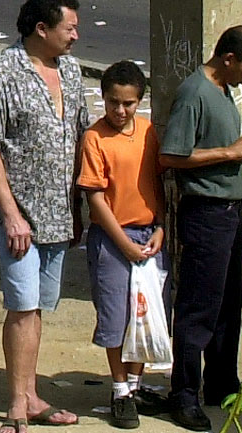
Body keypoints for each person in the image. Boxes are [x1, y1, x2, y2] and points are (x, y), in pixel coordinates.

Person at [0, 0, 88, 433]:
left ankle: (30, 393)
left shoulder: (73, 72)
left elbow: (79, 137)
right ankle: (17, 405)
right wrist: (11, 214)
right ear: (42, 29)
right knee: (22, 305)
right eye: (69, 28)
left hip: (61, 213)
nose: (76, 36)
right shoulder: (0, 74)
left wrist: (79, 205)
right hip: (18, 216)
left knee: (38, 306)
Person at [156, 25, 242, 432]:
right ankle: (184, 392)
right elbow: (173, 154)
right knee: (199, 306)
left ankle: (222, 381)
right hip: (206, 211)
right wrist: (230, 152)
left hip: (230, 208)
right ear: (228, 59)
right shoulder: (194, 94)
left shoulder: (222, 91)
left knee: (227, 302)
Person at [77, 60, 167, 429]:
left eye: (128, 103)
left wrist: (161, 226)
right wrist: (124, 245)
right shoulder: (94, 138)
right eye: (113, 102)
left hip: (148, 236)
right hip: (113, 239)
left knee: (144, 314)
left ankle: (136, 382)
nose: (119, 110)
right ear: (103, 99)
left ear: (139, 102)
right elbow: (95, 198)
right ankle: (119, 389)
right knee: (116, 316)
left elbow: (158, 184)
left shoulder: (148, 133)